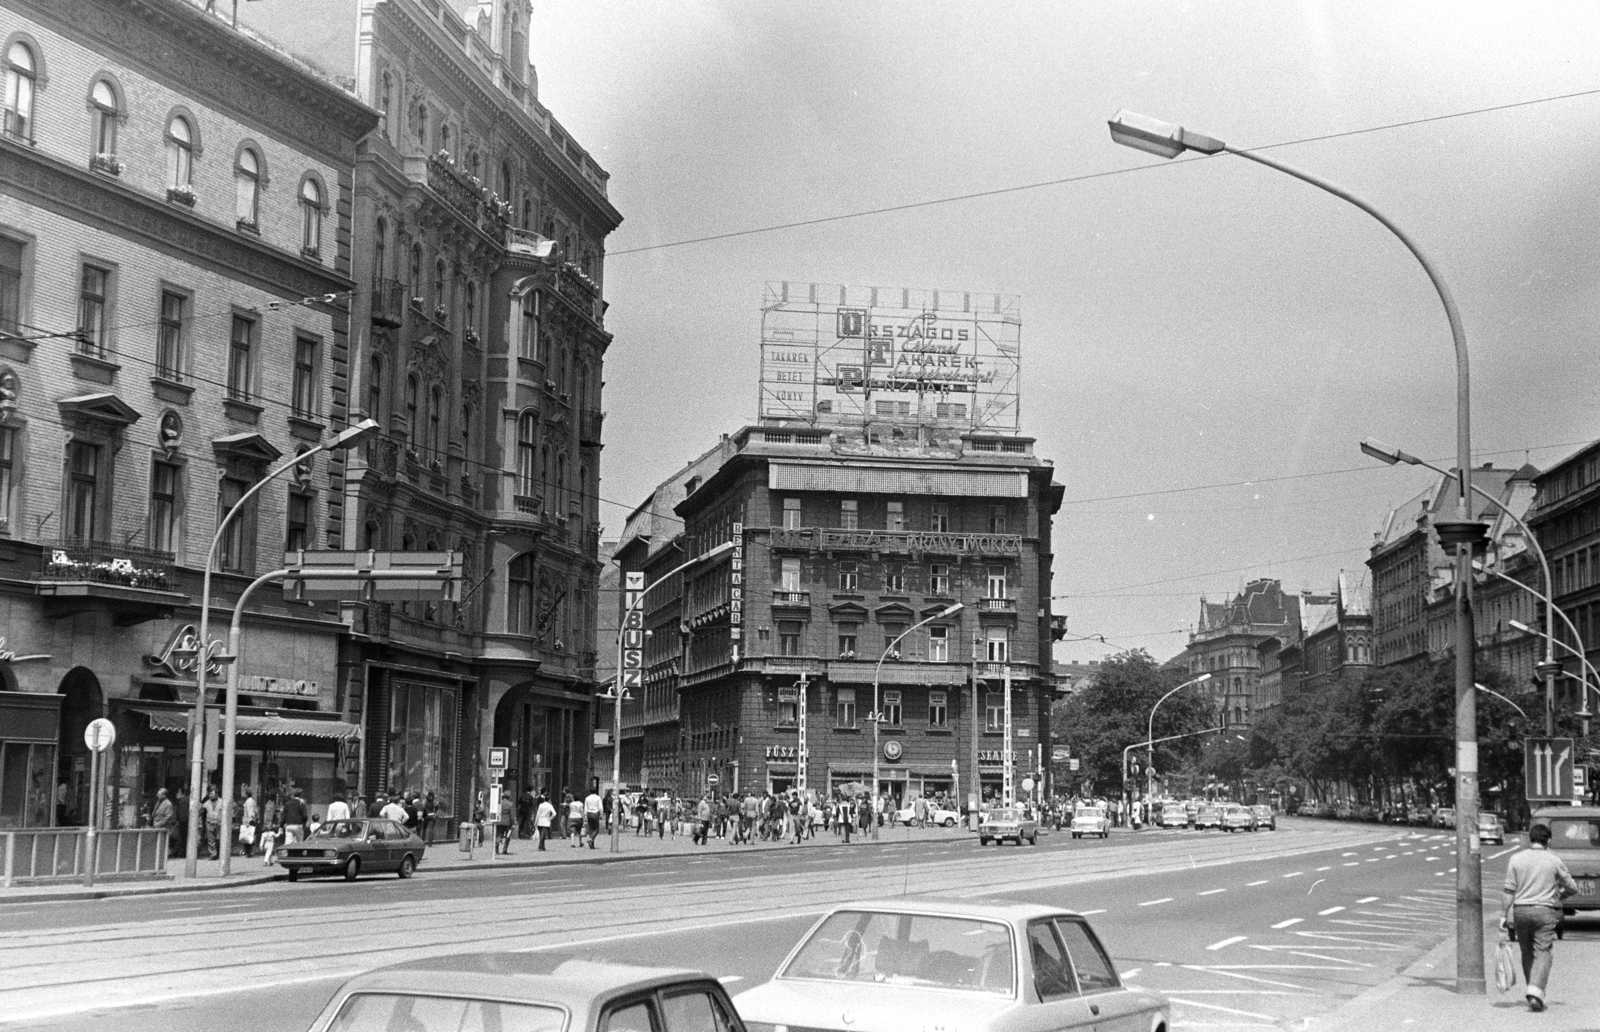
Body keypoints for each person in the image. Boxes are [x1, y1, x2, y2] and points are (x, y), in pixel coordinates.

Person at [1501, 821, 1579, 1012]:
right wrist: (1560, 896)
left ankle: (1533, 991)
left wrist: (1504, 915)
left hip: (1520, 911)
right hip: (1544, 912)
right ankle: (1535, 992)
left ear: (1530, 839)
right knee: (1543, 952)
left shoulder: (1516, 859)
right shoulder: (1553, 860)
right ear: (1548, 841)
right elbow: (1572, 887)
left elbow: (1509, 890)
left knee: (1527, 953)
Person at [152, 788, 179, 857]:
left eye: (159, 794)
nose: (157, 795)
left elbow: (168, 816)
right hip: (156, 824)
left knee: (162, 841)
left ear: (163, 795)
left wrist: (159, 824)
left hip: (162, 826)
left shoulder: (168, 804)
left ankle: (166, 854)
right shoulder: (159, 801)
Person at [239, 789, 259, 858]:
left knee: (247, 837)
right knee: (248, 837)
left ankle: (248, 852)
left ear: (246, 794)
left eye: (244, 793)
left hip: (248, 822)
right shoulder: (251, 801)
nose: (243, 795)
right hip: (248, 821)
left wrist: (250, 820)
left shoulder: (249, 801)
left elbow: (251, 812)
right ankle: (248, 851)